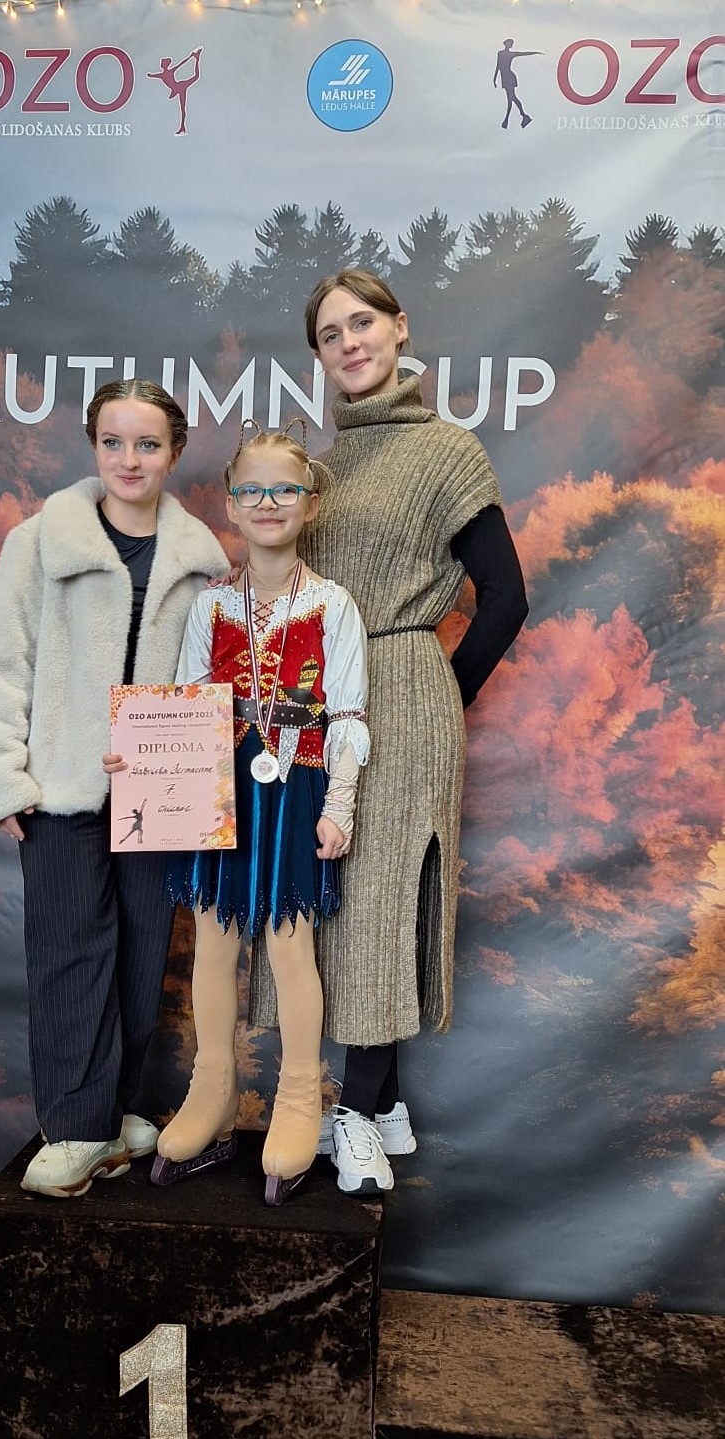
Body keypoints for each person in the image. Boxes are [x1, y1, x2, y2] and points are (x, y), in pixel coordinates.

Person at [246, 268, 529, 1196]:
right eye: (330, 334)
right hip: (318, 694)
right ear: (319, 356)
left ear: (400, 328)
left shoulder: (447, 451)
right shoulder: (321, 467)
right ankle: (391, 1103)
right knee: (337, 893)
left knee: (378, 896)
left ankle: (356, 1115)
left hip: (401, 690)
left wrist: (437, 692)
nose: (350, 343)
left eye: (362, 322)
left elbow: (505, 598)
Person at [0, 379, 229, 1198]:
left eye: (147, 444)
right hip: (60, 788)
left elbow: (211, 685)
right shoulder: (39, 542)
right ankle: (75, 1129)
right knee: (70, 953)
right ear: (94, 446)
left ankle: (111, 1116)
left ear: (174, 453)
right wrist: (2, 774)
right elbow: (2, 665)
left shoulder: (205, 564)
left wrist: (187, 763)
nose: (128, 459)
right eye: (113, 442)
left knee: (143, 955)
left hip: (160, 794)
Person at [117, 420, 370, 1205]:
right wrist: (144, 766)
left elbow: (348, 716)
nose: (268, 502)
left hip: (294, 791)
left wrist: (339, 805)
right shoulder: (212, 605)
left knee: (292, 948)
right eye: (252, 490)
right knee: (214, 945)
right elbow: (188, 706)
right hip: (219, 790)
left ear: (310, 503)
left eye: (284, 489)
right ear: (230, 503)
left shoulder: (332, 606)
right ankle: (212, 1090)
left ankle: (297, 1097)